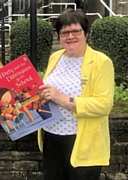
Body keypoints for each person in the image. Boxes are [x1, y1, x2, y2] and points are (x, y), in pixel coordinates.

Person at [37, 8, 114, 180]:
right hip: (52, 137)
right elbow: (49, 90)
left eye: (75, 31)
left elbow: (103, 105)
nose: (70, 36)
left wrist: (61, 99)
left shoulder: (101, 62)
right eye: (64, 32)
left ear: (86, 33)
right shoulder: (55, 57)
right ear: (59, 36)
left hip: (83, 142)